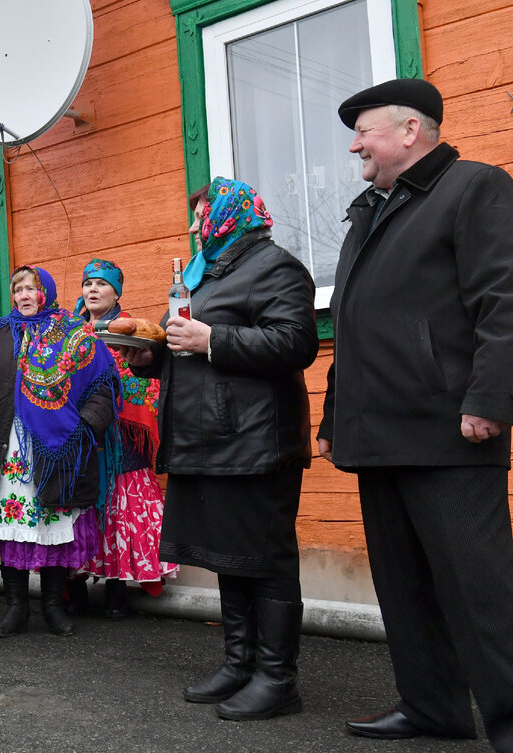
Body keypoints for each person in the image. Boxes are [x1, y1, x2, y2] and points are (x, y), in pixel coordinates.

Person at [318, 79, 513, 749]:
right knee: (405, 592)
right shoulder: (368, 213)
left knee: (481, 595)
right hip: (378, 438)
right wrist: (334, 417)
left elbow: (503, 302)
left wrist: (490, 399)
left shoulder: (473, 188)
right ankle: (433, 706)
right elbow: (354, 325)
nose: (354, 144)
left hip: (449, 432)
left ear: (408, 131)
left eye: (364, 130)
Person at [123, 177, 317, 721]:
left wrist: (213, 340)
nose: (193, 225)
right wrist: (149, 356)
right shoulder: (204, 273)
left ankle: (278, 680)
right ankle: (240, 664)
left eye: (202, 214)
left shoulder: (276, 267)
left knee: (267, 559)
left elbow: (296, 342)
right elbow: (184, 346)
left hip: (255, 440)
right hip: (207, 437)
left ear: (232, 214)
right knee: (232, 559)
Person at [0, 266, 118, 637]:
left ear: (46, 293)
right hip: (7, 449)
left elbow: (104, 383)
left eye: (31, 288)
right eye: (17, 289)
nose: (23, 295)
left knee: (52, 521)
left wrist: (84, 428)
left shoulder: (74, 333)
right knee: (13, 526)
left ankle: (53, 606)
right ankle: (15, 608)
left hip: (58, 449)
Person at [73, 258, 176, 618]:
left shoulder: (131, 329)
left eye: (102, 284)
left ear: (117, 291)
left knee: (118, 512)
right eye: (88, 284)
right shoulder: (71, 330)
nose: (93, 290)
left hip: (121, 438)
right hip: (81, 436)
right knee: (82, 509)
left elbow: (144, 380)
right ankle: (77, 585)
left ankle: (118, 588)